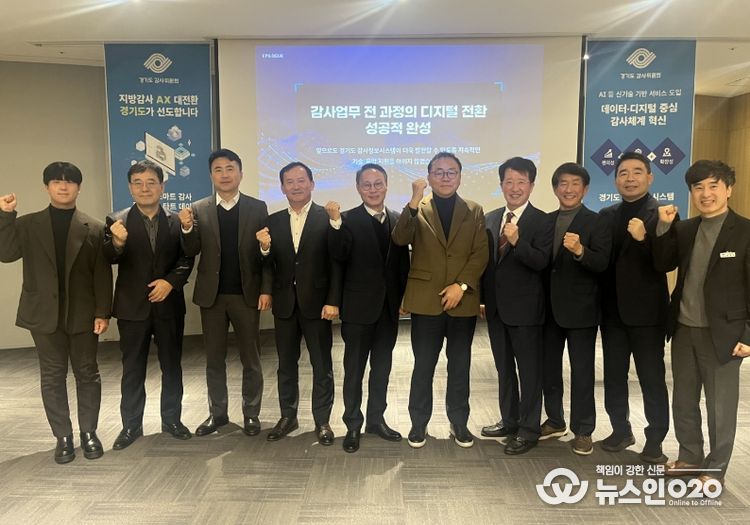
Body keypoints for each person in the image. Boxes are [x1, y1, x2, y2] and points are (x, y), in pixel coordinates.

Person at [0, 162, 112, 464]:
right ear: (46, 187)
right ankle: (63, 436)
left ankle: (89, 432)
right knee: (52, 376)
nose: (63, 186)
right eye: (56, 181)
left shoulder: (94, 227)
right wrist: (6, 216)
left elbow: (102, 274)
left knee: (87, 373)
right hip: (43, 314)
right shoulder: (27, 224)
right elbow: (6, 253)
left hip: (83, 314)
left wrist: (103, 312)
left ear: (79, 188)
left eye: (70, 181)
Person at [653, 160, 750, 488]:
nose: (705, 194)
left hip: (725, 334)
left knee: (720, 407)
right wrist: (664, 226)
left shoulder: (745, 231)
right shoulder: (685, 229)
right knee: (683, 400)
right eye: (698, 187)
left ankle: (716, 467)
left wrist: (749, 334)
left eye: (713, 186)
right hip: (684, 329)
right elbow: (662, 263)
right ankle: (690, 457)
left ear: (728, 189)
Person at [392, 151, 488, 449]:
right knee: (424, 366)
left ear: (459, 176)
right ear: (429, 176)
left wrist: (461, 285)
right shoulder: (417, 208)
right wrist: (413, 201)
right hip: (425, 301)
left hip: (462, 301)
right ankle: (418, 422)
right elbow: (400, 238)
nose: (445, 177)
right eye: (439, 172)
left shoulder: (474, 210)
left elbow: (480, 253)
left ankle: (459, 422)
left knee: (459, 366)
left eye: (451, 172)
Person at [179, 149, 272, 437]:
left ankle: (251, 414)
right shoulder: (199, 208)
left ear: (240, 173)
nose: (224, 174)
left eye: (230, 168)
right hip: (212, 297)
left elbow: (266, 255)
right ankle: (217, 414)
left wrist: (266, 288)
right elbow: (191, 250)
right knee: (214, 359)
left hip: (246, 295)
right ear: (211, 175)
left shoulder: (258, 207)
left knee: (251, 359)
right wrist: (186, 229)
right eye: (218, 169)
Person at [104, 160, 194, 449]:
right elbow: (107, 258)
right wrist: (117, 243)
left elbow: (187, 258)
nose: (145, 188)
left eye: (151, 182)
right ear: (130, 188)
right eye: (138, 183)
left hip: (169, 306)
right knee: (132, 368)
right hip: (132, 308)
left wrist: (170, 282)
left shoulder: (176, 221)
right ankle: (131, 425)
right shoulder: (116, 221)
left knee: (172, 366)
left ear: (162, 187)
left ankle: (172, 420)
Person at [325, 163, 410, 453]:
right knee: (354, 371)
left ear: (386, 185)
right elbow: (337, 257)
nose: (373, 190)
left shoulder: (398, 219)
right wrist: (335, 224)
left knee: (382, 368)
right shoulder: (346, 220)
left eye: (378, 184)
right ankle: (352, 424)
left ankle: (376, 420)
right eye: (367, 185)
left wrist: (403, 299)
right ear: (358, 188)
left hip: (388, 310)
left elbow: (402, 265)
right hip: (358, 310)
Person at [257, 161, 343, 445]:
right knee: (286, 365)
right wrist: (264, 250)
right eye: (290, 182)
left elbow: (336, 263)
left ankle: (322, 421)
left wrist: (333, 300)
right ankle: (288, 416)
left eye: (301, 180)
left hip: (317, 305)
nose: (296, 186)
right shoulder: (273, 221)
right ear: (282, 187)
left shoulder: (326, 217)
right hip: (284, 304)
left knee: (322, 365)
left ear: (312, 184)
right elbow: (268, 264)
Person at [598, 151, 671, 463]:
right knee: (614, 377)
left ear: (649, 178)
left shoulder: (663, 214)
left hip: (647, 316)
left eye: (637, 172)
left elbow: (666, 262)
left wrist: (643, 240)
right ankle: (620, 430)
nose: (630, 178)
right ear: (616, 180)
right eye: (623, 173)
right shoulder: (607, 215)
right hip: (612, 313)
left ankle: (655, 439)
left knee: (651, 379)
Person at [480, 157, 553, 455]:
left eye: (521, 182)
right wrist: (482, 299)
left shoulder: (543, 220)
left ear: (532, 186)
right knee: (504, 369)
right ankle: (509, 420)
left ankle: (529, 429)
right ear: (501, 185)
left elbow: (541, 261)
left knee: (529, 373)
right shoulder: (490, 218)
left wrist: (517, 242)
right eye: (509, 181)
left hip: (527, 312)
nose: (514, 187)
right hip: (496, 309)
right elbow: (486, 265)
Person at [541, 162, 611, 455]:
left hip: (582, 310)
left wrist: (581, 251)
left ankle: (583, 429)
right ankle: (555, 420)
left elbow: (603, 263)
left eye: (575, 184)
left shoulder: (597, 222)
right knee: (549, 369)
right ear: (555, 188)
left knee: (582, 373)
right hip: (547, 310)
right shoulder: (545, 221)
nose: (568, 189)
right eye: (563, 184)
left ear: (585, 189)